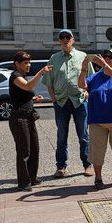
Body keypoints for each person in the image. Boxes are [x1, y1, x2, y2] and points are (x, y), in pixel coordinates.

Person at [41, 29, 95, 178]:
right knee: (61, 135)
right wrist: (54, 100)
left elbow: (91, 79)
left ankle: (88, 165)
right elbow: (49, 82)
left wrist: (87, 93)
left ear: (73, 40)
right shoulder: (54, 58)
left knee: (83, 135)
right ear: (59, 41)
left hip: (79, 101)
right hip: (62, 102)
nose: (65, 40)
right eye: (62, 38)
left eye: (68, 37)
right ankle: (61, 166)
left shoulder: (82, 56)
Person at [79, 49, 112, 190]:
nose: (106, 58)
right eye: (105, 56)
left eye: (110, 56)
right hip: (97, 121)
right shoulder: (96, 76)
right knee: (97, 151)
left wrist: (105, 66)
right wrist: (83, 70)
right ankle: (98, 178)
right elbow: (82, 85)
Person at [8, 51, 52, 191]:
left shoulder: (23, 76)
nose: (28, 65)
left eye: (29, 62)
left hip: (29, 117)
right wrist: (40, 73)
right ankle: (23, 183)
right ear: (17, 64)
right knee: (24, 151)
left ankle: (32, 178)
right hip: (19, 118)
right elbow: (27, 86)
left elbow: (20, 95)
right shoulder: (15, 76)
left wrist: (33, 99)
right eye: (25, 63)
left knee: (34, 148)